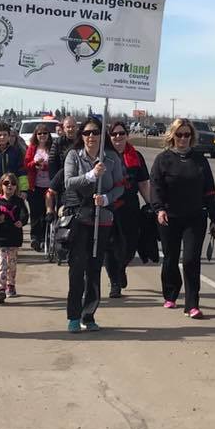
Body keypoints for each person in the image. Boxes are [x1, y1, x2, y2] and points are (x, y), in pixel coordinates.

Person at [149, 117, 215, 319]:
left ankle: (192, 304)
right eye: (179, 134)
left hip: (195, 217)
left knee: (191, 260)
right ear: (172, 136)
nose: (183, 138)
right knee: (171, 259)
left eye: (187, 135)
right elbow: (155, 188)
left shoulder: (200, 160)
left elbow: (209, 191)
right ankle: (171, 293)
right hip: (169, 217)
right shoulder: (163, 159)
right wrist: (159, 209)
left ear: (192, 137)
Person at [62, 118, 124, 333]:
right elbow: (68, 182)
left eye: (95, 132)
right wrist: (90, 175)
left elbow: (119, 187)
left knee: (94, 268)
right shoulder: (73, 156)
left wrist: (107, 199)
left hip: (102, 219)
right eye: (87, 133)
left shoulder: (112, 158)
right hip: (80, 218)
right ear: (82, 135)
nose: (91, 137)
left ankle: (88, 314)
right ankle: (73, 315)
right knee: (77, 268)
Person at [104, 121, 151, 298]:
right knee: (110, 246)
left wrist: (151, 204)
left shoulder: (136, 156)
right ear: (109, 136)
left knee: (130, 245)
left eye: (121, 133)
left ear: (127, 135)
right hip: (109, 206)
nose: (118, 137)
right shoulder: (104, 156)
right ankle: (114, 282)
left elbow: (143, 183)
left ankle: (121, 266)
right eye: (114, 134)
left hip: (130, 207)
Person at [0, 173, 29, 303]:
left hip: (14, 237)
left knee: (11, 263)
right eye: (6, 183)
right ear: (1, 185)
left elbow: (25, 214)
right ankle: (0, 289)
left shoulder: (19, 201)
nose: (9, 186)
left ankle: (10, 284)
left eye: (12, 183)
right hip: (0, 237)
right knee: (2, 262)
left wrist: (21, 222)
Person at [24, 123, 54, 251]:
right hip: (34, 185)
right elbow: (26, 164)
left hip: (49, 186)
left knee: (46, 212)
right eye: (39, 133)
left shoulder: (52, 147)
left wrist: (45, 166)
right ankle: (35, 238)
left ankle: (45, 237)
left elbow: (55, 164)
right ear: (36, 135)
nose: (42, 136)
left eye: (45, 133)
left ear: (48, 135)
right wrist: (35, 164)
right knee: (35, 213)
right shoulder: (32, 147)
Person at [0, 122, 28, 194]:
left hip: (12, 189)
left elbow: (22, 171)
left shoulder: (16, 152)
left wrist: (24, 190)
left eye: (5, 135)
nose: (2, 137)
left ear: (9, 136)